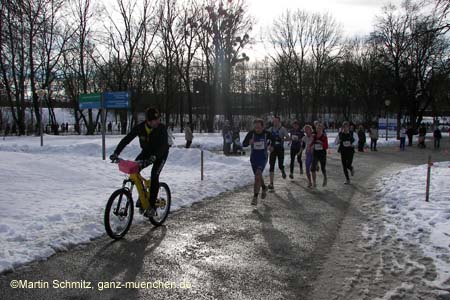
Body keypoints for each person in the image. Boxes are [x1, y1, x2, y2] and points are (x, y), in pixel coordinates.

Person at [109, 107, 169, 217]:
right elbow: (127, 139)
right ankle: (143, 195)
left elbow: (164, 146)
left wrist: (155, 157)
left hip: (160, 154)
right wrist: (116, 153)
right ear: (148, 121)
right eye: (155, 120)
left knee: (154, 175)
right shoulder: (140, 128)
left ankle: (151, 206)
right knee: (134, 169)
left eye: (158, 119)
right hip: (147, 152)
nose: (158, 121)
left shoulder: (161, 129)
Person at [242, 119, 272, 205]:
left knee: (258, 175)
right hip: (254, 158)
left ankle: (255, 197)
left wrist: (272, 146)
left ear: (263, 126)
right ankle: (263, 187)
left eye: (259, 127)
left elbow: (275, 140)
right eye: (255, 127)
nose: (257, 129)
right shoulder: (251, 133)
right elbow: (243, 144)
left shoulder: (267, 134)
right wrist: (248, 142)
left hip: (263, 157)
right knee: (257, 175)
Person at [268, 116, 290, 190]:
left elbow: (288, 138)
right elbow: (266, 137)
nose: (275, 123)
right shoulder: (270, 129)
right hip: (273, 149)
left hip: (280, 149)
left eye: (276, 121)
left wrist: (282, 138)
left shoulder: (283, 129)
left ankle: (282, 171)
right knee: (271, 166)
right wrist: (268, 145)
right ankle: (271, 183)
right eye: (274, 121)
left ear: (279, 122)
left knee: (280, 165)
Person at [311, 123, 328, 187]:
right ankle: (314, 183)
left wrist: (322, 143)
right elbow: (312, 143)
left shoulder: (324, 136)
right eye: (317, 128)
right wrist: (310, 147)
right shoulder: (314, 136)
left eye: (320, 128)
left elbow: (326, 146)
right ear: (316, 129)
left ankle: (325, 178)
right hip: (315, 153)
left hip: (322, 154)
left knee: (323, 168)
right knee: (312, 168)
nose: (319, 130)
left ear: (322, 129)